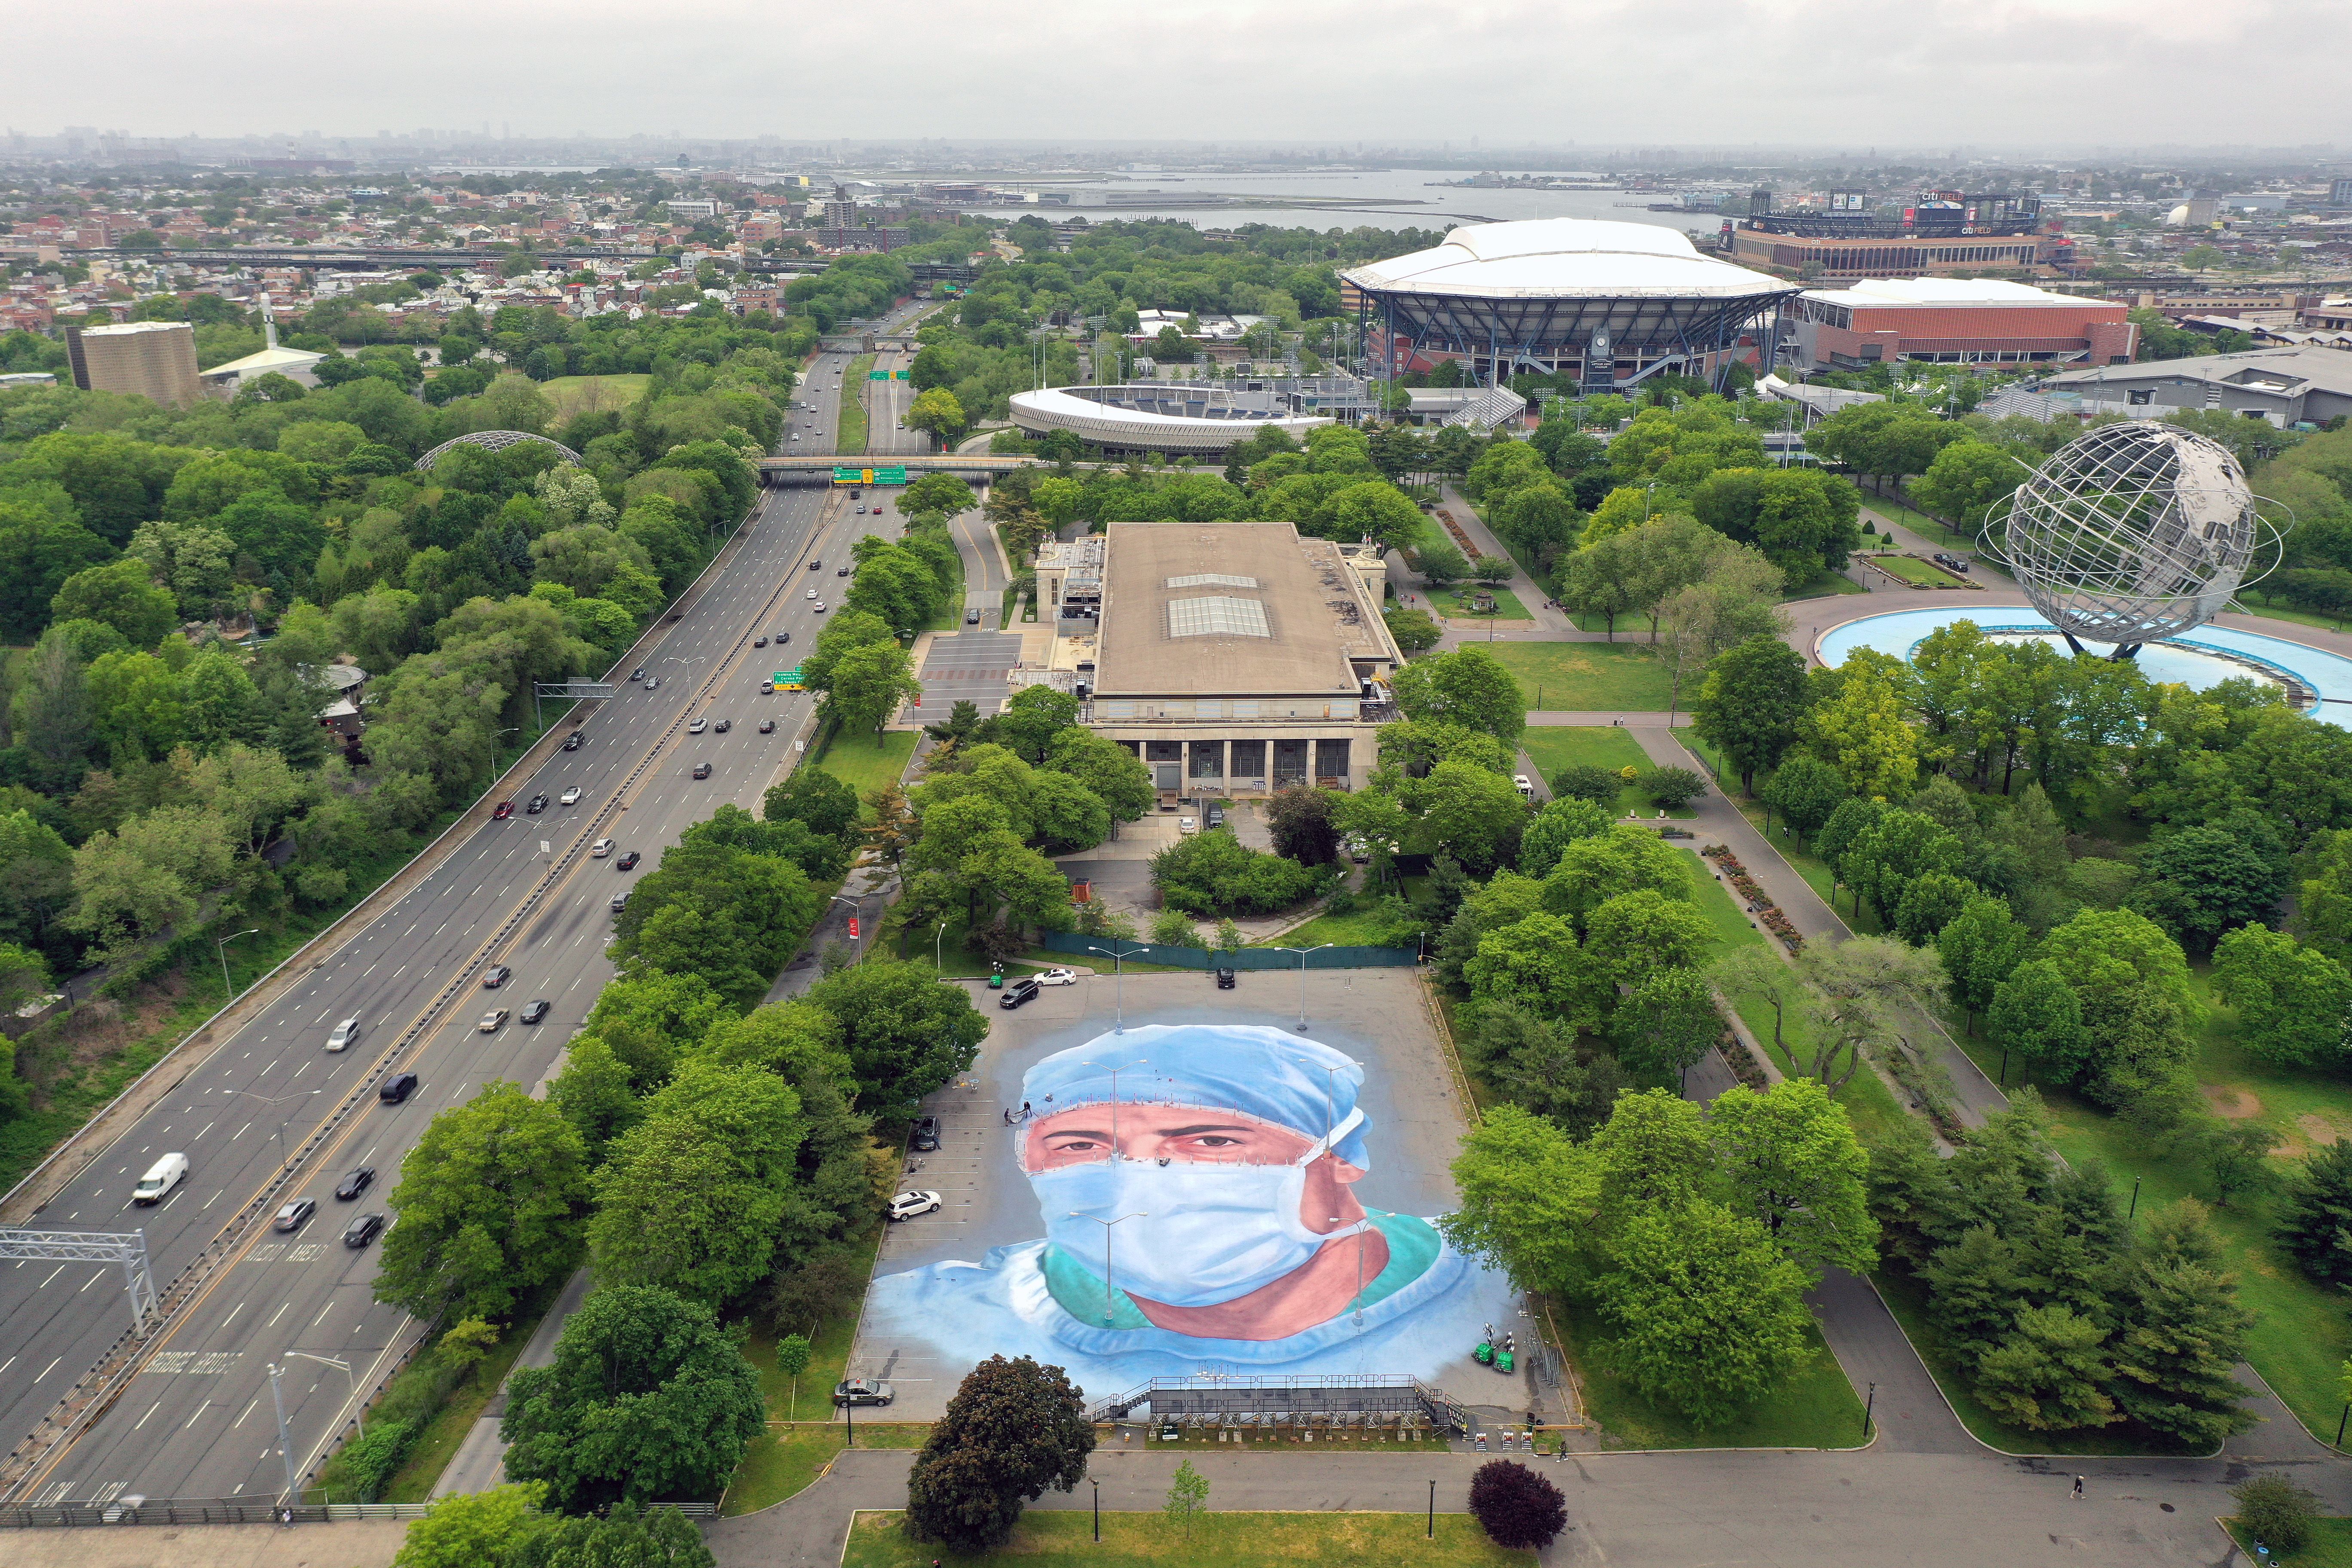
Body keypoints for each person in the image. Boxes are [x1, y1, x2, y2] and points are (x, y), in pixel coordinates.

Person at [865, 1025, 1515, 1394]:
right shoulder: (939, 1312)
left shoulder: (1493, 1279)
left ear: (1340, 1156)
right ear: (1029, 1160)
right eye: (1083, 1146)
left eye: (1211, 1140)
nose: (1140, 1179)